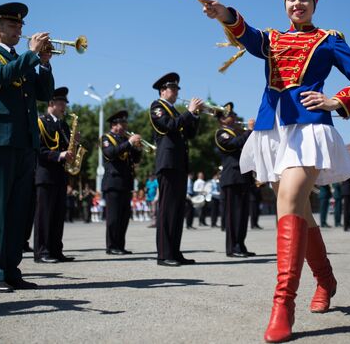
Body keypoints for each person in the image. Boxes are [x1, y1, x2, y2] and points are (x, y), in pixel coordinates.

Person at [202, 0, 350, 342]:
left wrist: (337, 100)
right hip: (272, 131)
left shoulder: (330, 40)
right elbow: (247, 35)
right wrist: (224, 13)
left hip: (310, 128)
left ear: (315, 2)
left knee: (288, 202)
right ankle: (326, 281)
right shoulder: (273, 39)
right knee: (301, 210)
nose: (297, 3)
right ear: (285, 3)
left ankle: (283, 305)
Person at [0, 2, 54, 292]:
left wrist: (44, 62)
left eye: (20, 25)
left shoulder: (25, 59)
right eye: (12, 25)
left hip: (25, 141)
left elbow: (45, 93)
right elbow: (3, 76)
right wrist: (32, 54)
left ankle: (11, 269)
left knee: (19, 210)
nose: (19, 29)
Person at [149, 72, 202, 267]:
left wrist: (194, 114)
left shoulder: (176, 111)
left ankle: (174, 251)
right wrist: (189, 112)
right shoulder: (157, 107)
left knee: (178, 210)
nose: (177, 91)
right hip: (168, 163)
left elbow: (190, 133)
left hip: (179, 164)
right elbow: (169, 126)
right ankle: (164, 254)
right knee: (167, 209)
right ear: (163, 90)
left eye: (177, 88)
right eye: (173, 88)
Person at [34, 87, 76, 263]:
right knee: (44, 216)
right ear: (51, 103)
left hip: (60, 175)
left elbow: (67, 148)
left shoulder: (63, 124)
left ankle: (56, 250)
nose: (64, 106)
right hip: (45, 174)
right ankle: (42, 252)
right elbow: (38, 150)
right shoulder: (40, 122)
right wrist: (59, 155)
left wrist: (75, 144)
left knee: (58, 215)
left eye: (65, 103)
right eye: (61, 103)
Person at [214, 102, 256, 257]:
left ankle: (241, 245)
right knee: (234, 216)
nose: (233, 117)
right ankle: (233, 248)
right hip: (232, 178)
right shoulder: (221, 133)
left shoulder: (238, 132)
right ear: (222, 119)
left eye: (232, 114)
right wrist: (249, 131)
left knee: (243, 215)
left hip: (243, 177)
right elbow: (233, 145)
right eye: (229, 115)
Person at [101, 110, 142, 255]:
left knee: (124, 217)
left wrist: (137, 147)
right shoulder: (107, 138)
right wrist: (129, 143)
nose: (125, 126)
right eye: (122, 123)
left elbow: (135, 160)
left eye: (125, 123)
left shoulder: (125, 140)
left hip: (126, 182)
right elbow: (111, 153)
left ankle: (120, 245)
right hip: (113, 183)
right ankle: (111, 246)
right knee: (113, 217)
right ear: (114, 125)